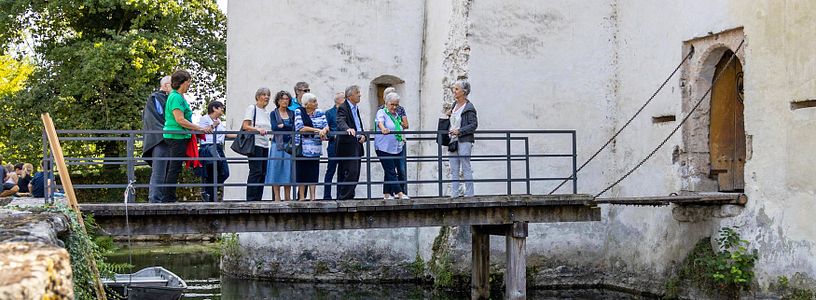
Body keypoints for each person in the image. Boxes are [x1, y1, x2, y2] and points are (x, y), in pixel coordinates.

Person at [162, 69, 213, 203]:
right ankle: (168, 198)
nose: (189, 85)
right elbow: (180, 120)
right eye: (188, 82)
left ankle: (169, 197)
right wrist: (200, 128)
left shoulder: (177, 96)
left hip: (179, 135)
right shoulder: (175, 97)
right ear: (182, 83)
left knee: (175, 166)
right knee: (174, 166)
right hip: (176, 136)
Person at [294, 93, 329, 201]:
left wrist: (324, 130)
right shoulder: (299, 111)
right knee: (302, 171)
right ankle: (301, 197)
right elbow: (300, 128)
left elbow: (326, 125)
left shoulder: (320, 112)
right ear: (306, 104)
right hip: (302, 147)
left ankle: (313, 197)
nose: (316, 103)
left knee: (313, 172)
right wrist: (318, 130)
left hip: (315, 147)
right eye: (313, 101)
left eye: (316, 101)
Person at [198, 101, 236, 202]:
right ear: (214, 108)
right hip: (209, 147)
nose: (222, 110)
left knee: (224, 173)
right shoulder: (205, 119)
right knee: (212, 173)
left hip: (218, 147)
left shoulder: (218, 121)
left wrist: (240, 136)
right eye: (221, 108)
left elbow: (224, 134)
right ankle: (209, 196)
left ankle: (208, 192)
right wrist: (213, 125)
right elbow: (202, 131)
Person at [375, 92, 410, 200]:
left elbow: (402, 126)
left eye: (396, 105)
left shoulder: (396, 115)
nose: (394, 107)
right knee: (391, 170)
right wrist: (383, 128)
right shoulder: (382, 112)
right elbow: (379, 122)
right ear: (386, 103)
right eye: (392, 104)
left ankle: (386, 194)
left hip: (395, 148)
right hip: (383, 147)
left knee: (388, 170)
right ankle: (399, 193)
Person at [447, 80, 478, 198]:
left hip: (464, 140)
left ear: (463, 92)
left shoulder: (469, 107)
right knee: (454, 168)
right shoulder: (454, 105)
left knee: (465, 166)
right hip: (452, 140)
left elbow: (473, 125)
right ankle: (454, 194)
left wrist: (459, 131)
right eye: (454, 89)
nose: (453, 91)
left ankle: (469, 194)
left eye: (456, 89)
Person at [144, 76, 172, 203]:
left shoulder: (167, 98)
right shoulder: (155, 98)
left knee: (167, 170)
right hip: (160, 139)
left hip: (167, 138)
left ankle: (164, 198)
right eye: (173, 85)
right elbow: (157, 118)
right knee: (159, 171)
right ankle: (155, 200)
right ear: (166, 85)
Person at [336, 85, 366, 200]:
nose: (360, 94)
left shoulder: (355, 108)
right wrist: (347, 129)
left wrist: (363, 135)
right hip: (347, 145)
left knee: (356, 172)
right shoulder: (343, 107)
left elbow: (358, 124)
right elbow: (340, 121)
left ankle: (349, 195)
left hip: (357, 144)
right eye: (357, 92)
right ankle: (344, 197)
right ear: (350, 96)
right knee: (351, 171)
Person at [264, 91, 295, 201]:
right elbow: (275, 128)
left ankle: (288, 196)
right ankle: (277, 196)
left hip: (289, 145)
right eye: (282, 99)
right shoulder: (274, 113)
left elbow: (294, 127)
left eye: (287, 99)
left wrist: (284, 125)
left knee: (288, 170)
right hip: (277, 144)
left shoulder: (292, 113)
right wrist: (286, 126)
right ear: (278, 101)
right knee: (275, 169)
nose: (285, 101)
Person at [243, 87, 272, 201]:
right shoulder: (252, 108)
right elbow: (246, 126)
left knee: (263, 172)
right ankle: (251, 199)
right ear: (258, 96)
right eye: (264, 94)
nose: (266, 97)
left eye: (268, 95)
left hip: (265, 144)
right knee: (256, 171)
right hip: (255, 143)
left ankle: (258, 199)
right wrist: (257, 129)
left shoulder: (267, 112)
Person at [322, 92, 345, 200]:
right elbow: (326, 129)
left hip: (344, 144)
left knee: (342, 170)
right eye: (344, 98)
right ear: (339, 100)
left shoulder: (346, 112)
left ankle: (340, 195)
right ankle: (327, 195)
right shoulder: (329, 113)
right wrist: (334, 135)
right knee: (331, 169)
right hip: (333, 145)